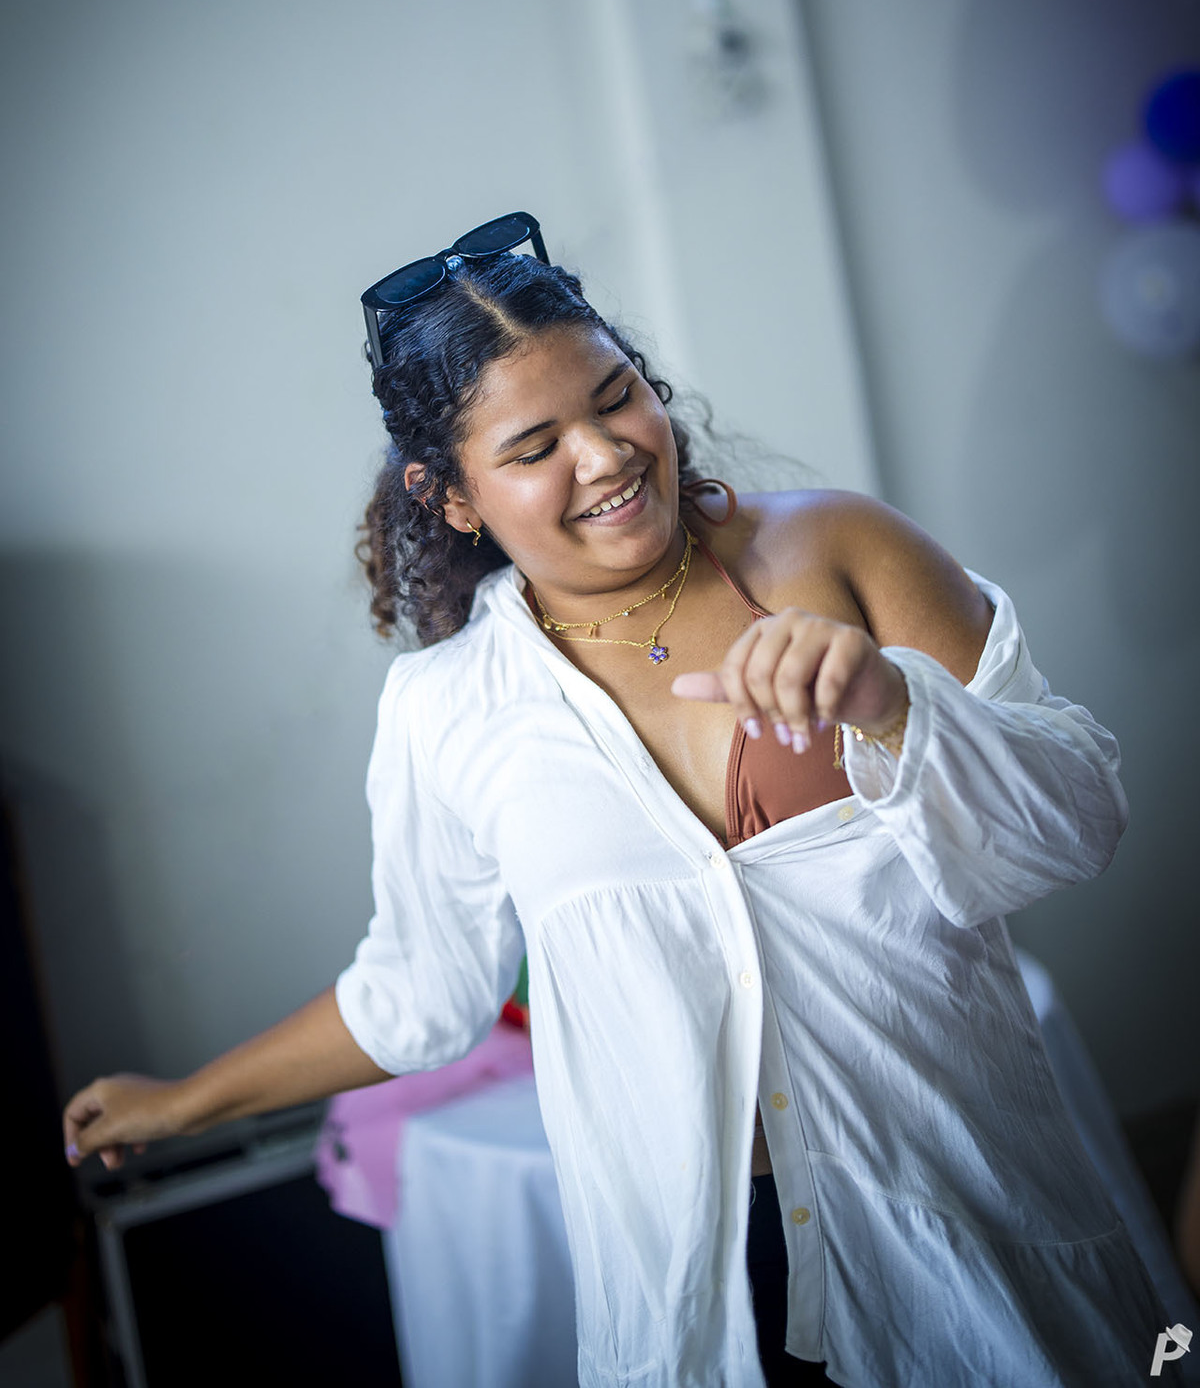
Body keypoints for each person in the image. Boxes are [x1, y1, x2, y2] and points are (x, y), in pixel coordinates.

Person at [65, 216, 1168, 1387]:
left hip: (958, 1216)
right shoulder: (449, 709)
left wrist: (893, 704)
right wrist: (184, 1102)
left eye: (615, 397)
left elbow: (1078, 821)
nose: (605, 455)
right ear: (452, 496)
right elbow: (418, 996)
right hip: (711, 1285)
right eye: (536, 444)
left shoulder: (841, 549)